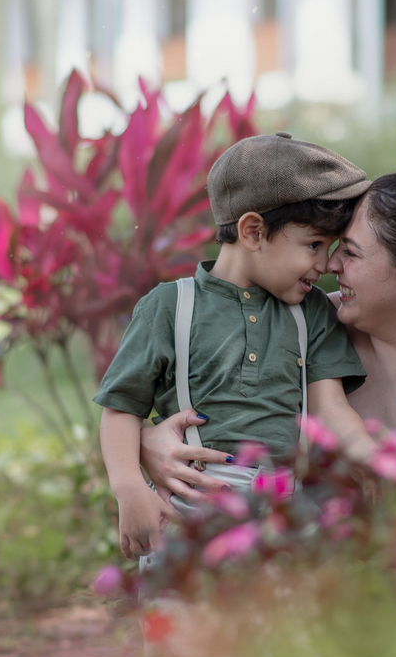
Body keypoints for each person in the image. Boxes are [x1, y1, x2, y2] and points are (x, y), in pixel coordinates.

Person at [140, 170, 396, 501]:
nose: (331, 263)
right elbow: (197, 397)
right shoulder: (302, 329)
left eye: (350, 252)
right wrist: (148, 443)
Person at [93, 132, 377, 562]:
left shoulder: (311, 313)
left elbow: (331, 409)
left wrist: (375, 460)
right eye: (314, 245)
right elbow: (120, 409)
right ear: (253, 231)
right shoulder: (170, 307)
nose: (325, 265)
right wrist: (129, 488)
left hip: (285, 516)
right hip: (189, 509)